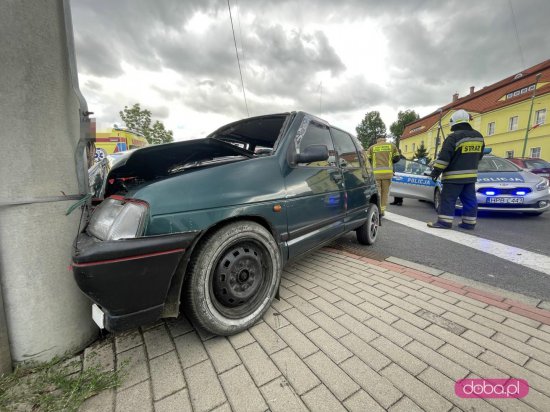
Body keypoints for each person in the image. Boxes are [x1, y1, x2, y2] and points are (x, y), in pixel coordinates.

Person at [427, 109, 485, 229]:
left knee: (448, 199)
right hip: (470, 177)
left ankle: (444, 222)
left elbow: (444, 158)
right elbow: (480, 156)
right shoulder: (479, 136)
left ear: (454, 122)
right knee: (469, 200)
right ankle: (469, 223)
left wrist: (435, 172)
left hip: (453, 177)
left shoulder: (453, 137)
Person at [365, 135, 401, 216]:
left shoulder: (372, 148)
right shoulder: (391, 146)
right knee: (385, 193)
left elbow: (368, 160)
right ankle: (382, 211)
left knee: (378, 193)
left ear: (377, 140)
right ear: (384, 139)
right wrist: (389, 161)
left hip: (376, 174)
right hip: (387, 174)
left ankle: (377, 210)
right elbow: (397, 158)